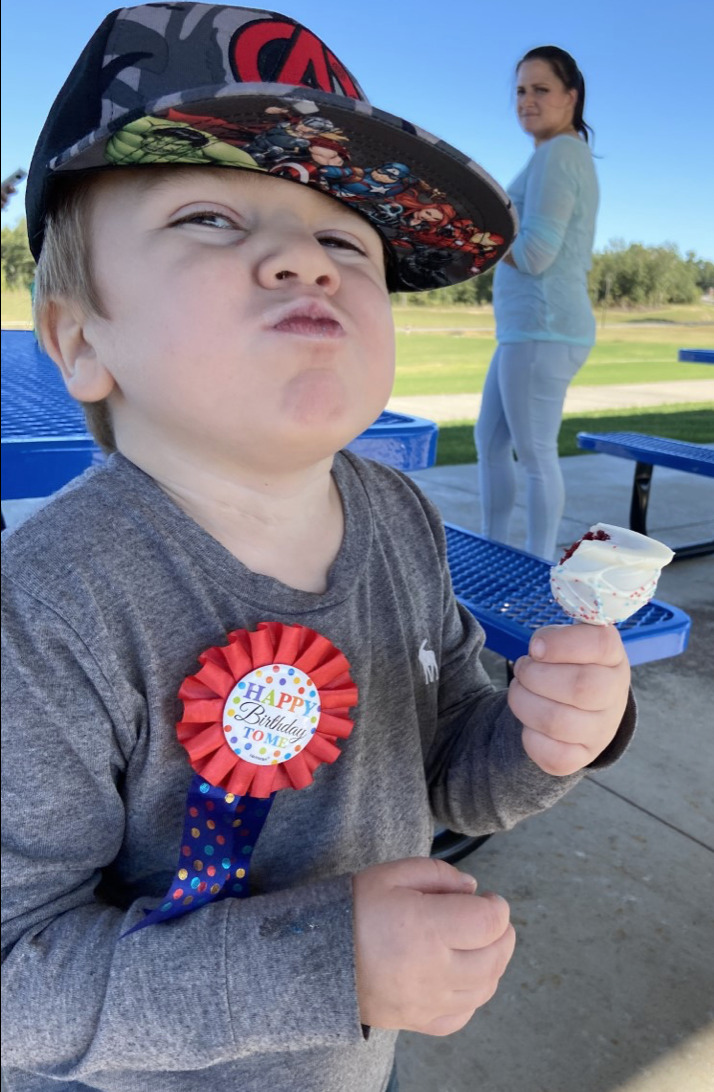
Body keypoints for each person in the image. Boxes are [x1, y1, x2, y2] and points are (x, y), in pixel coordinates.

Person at [1, 9, 632, 1092]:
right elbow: (19, 976)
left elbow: (450, 776)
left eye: (347, 238)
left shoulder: (400, 519)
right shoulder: (55, 603)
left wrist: (548, 737)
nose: (306, 257)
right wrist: (328, 964)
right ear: (79, 338)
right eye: (206, 216)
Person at [475, 46, 600, 561]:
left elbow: (535, 255)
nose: (527, 101)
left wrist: (476, 234)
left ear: (570, 97)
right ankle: (494, 552)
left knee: (535, 454)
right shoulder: (552, 154)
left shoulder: (560, 154)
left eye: (541, 89)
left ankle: (539, 565)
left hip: (545, 329)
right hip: (528, 330)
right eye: (521, 91)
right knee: (490, 441)